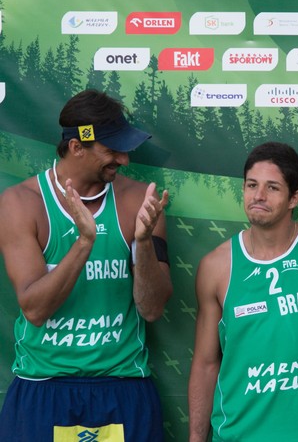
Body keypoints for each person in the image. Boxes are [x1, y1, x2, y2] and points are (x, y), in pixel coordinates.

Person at [187, 71, 298, 441]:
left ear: (294, 198)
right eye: (252, 185)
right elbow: (207, 364)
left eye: (272, 188)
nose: (258, 195)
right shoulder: (217, 266)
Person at [0, 89, 172, 440]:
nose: (124, 159)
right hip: (45, 387)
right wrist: (84, 243)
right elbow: (34, 308)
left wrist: (142, 243)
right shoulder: (20, 203)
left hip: (122, 386)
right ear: (77, 146)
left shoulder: (140, 201)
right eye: (112, 150)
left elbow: (152, 309)